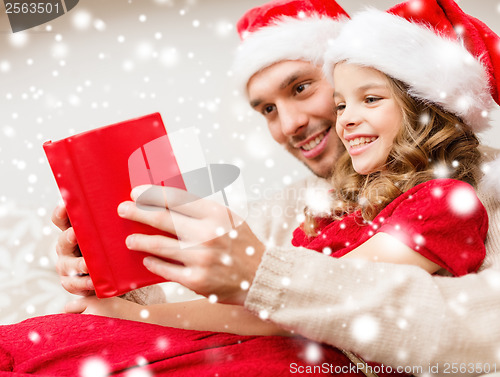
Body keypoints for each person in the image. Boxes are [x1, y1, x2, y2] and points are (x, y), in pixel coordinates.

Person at [53, 0, 500, 374]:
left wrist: (142, 316)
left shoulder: (460, 196)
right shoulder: (296, 211)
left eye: (303, 88)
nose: (290, 124)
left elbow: (471, 331)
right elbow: (207, 313)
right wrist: (115, 276)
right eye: (267, 109)